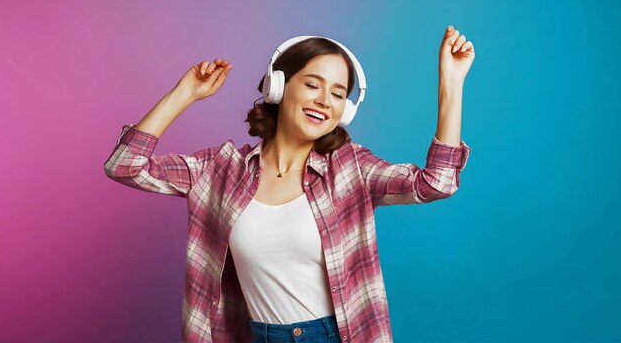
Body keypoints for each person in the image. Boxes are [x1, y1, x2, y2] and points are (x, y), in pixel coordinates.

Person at [104, 25, 474, 343]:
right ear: (278, 88)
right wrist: (184, 93)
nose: (323, 101)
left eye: (337, 93)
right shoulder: (220, 170)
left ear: (346, 109)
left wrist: (451, 84)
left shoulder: (350, 169)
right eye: (312, 84)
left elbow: (437, 183)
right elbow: (124, 166)